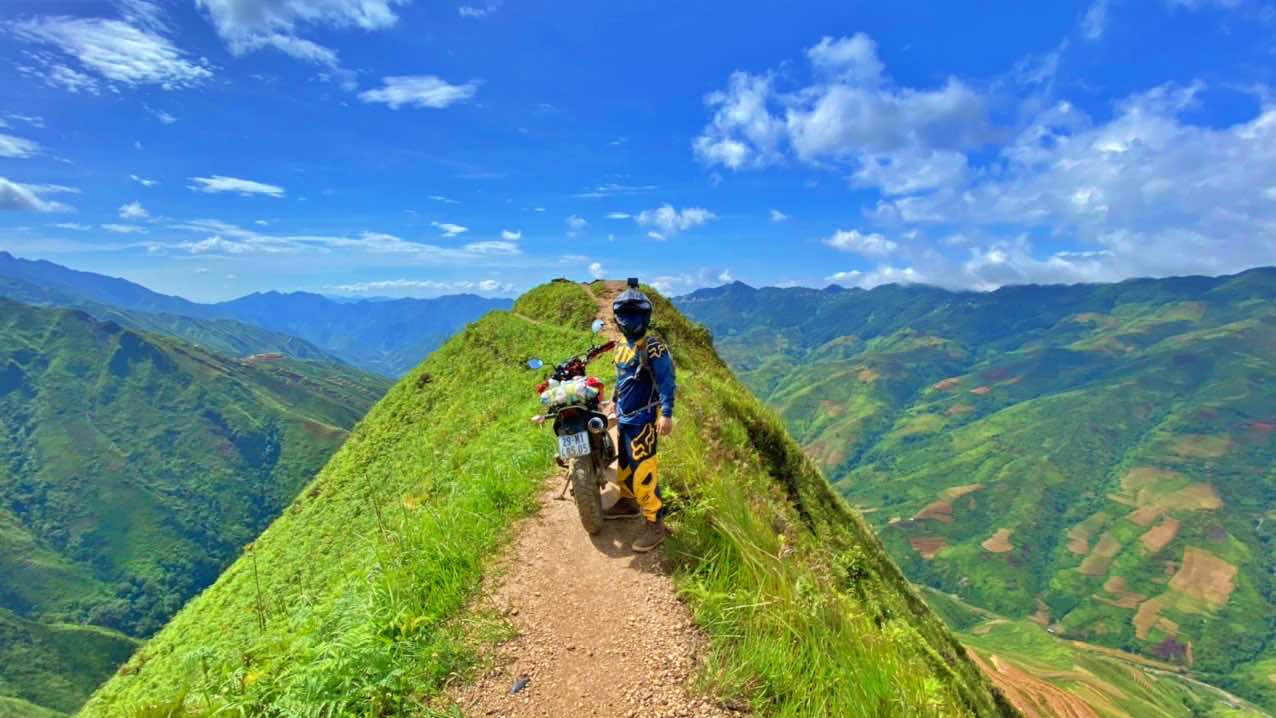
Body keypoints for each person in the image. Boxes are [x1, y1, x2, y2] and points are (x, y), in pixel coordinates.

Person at [605, 278, 676, 552]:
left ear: (645, 316)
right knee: (625, 465)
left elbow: (668, 382)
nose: (630, 320)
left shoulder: (654, 347)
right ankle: (627, 501)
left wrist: (666, 414)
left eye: (635, 314)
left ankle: (654, 523)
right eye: (626, 314)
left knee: (644, 470)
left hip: (644, 420)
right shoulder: (622, 345)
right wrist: (613, 402)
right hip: (624, 417)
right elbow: (621, 379)